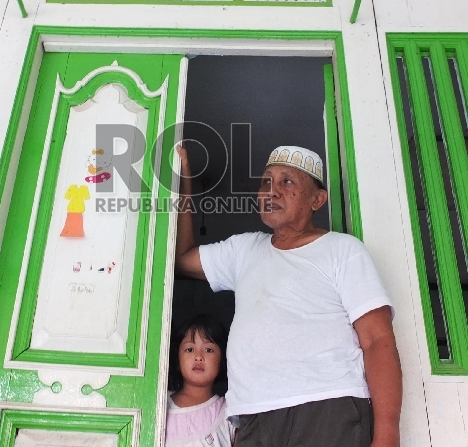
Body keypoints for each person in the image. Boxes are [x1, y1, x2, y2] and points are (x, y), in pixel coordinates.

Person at [175, 145, 402, 447]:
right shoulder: (244, 250)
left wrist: (387, 432)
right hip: (254, 416)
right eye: (266, 182)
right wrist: (183, 180)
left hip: (327, 408)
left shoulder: (342, 250)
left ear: (316, 199)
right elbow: (182, 260)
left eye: (287, 182)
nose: (272, 191)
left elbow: (377, 339)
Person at [166, 314, 236, 447]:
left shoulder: (228, 413)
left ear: (222, 360)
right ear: (177, 361)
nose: (198, 356)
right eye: (190, 349)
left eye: (208, 350)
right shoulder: (160, 404)